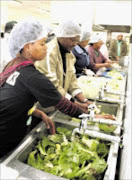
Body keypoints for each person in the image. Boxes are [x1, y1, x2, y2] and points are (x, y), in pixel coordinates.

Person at [0, 18, 87, 159]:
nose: (46, 47)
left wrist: (39, 113)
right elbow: (65, 106)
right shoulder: (31, 76)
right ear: (28, 47)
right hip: (5, 139)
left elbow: (14, 100)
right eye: (42, 43)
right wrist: (91, 116)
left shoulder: (14, 64)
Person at [35, 20, 93, 109]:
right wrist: (75, 104)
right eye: (72, 40)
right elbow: (52, 85)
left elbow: (72, 80)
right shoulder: (48, 53)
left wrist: (84, 100)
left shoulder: (70, 55)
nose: (74, 44)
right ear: (63, 36)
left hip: (60, 104)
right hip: (44, 107)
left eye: (77, 41)